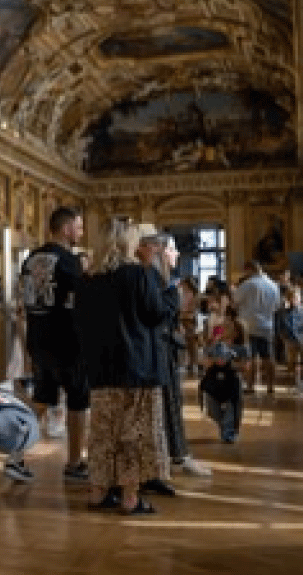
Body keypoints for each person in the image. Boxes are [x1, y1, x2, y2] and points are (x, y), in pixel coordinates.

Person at [75, 220, 170, 516]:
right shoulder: (137, 274)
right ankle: (130, 497)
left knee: (102, 434)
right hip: (136, 366)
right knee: (134, 432)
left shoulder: (87, 280)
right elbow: (156, 314)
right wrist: (168, 289)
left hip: (100, 369)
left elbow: (80, 324)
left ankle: (98, 492)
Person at [16, 206, 88, 483]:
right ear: (67, 229)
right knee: (78, 400)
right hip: (66, 340)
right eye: (78, 227)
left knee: (43, 398)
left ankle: (15, 455)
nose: (81, 232)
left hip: (38, 337)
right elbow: (81, 299)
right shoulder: (69, 261)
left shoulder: (31, 259)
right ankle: (74, 462)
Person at [137, 232, 210, 488]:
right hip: (155, 352)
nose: (177, 254)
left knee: (172, 402)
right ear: (158, 251)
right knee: (165, 403)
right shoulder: (153, 279)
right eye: (172, 249)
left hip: (162, 350)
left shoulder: (162, 280)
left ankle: (177, 454)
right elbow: (158, 314)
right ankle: (173, 457)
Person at [234, 260, 281, 395]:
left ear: (249, 269)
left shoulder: (248, 284)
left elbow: (235, 301)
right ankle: (271, 386)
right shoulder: (273, 285)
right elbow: (277, 306)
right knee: (268, 356)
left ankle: (250, 386)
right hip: (267, 324)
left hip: (249, 324)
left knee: (251, 356)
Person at [200, 342, 244, 443]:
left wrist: (233, 401)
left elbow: (236, 392)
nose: (220, 360)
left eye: (222, 357)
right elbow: (204, 386)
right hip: (215, 396)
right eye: (217, 357)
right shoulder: (210, 371)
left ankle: (229, 433)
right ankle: (225, 426)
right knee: (214, 413)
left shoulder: (233, 372)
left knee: (230, 414)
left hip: (230, 397)